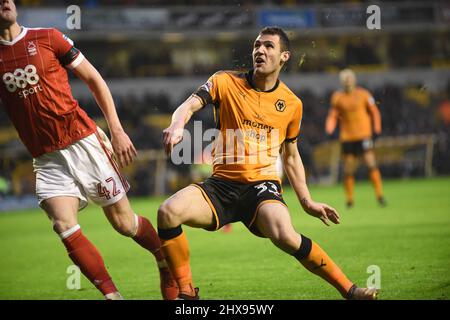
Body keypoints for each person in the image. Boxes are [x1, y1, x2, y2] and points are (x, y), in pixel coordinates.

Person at [158, 26, 378, 300]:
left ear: (284, 56)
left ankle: (350, 290)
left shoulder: (292, 104)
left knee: (285, 235)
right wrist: (177, 125)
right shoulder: (224, 81)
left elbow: (292, 155)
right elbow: (188, 105)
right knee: (168, 212)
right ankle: (188, 294)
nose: (259, 50)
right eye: (256, 45)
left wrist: (306, 201)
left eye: (268, 46)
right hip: (220, 186)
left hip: (261, 187)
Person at [0, 0, 177, 300]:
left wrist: (117, 130)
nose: (5, 1)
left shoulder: (48, 38)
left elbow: (95, 79)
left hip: (84, 142)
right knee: (63, 225)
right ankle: (112, 296)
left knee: (124, 223)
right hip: (46, 158)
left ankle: (165, 260)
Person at [325, 69, 386, 208]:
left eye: (349, 78)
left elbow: (374, 112)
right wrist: (329, 129)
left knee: (371, 164)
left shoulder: (364, 94)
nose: (347, 81)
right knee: (348, 169)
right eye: (345, 79)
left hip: (364, 135)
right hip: (347, 137)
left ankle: (380, 195)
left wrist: (377, 129)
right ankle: (350, 199)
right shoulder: (337, 97)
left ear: (354, 80)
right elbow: (332, 115)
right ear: (341, 82)